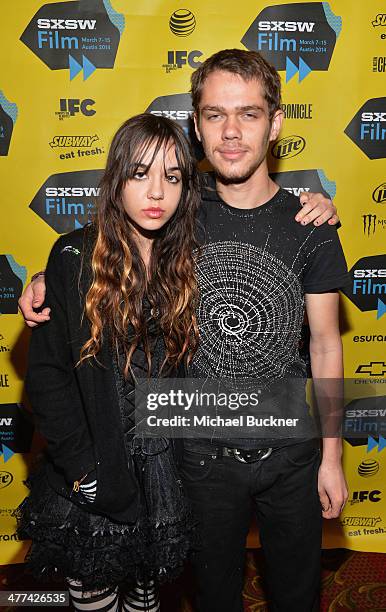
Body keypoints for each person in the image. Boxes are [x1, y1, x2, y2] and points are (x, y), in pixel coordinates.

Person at [18, 51, 343, 612]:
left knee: (297, 595)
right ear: (197, 127)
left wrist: (333, 456)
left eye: (248, 114)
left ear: (277, 122)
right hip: (193, 451)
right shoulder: (183, 208)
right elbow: (113, 240)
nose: (233, 132)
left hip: (289, 447)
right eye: (215, 115)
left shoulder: (308, 223)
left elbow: (326, 344)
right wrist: (53, 274)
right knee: (207, 596)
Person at [15, 113, 201, 612]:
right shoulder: (75, 256)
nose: (156, 191)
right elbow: (48, 376)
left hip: (163, 468)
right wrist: (82, 468)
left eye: (172, 176)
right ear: (116, 178)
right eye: (140, 173)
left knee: (147, 600)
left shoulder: (188, 258)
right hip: (98, 464)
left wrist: (313, 203)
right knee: (95, 599)